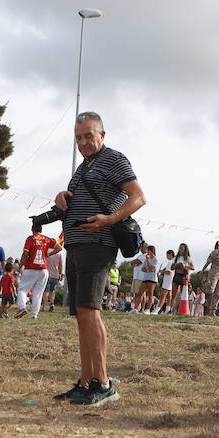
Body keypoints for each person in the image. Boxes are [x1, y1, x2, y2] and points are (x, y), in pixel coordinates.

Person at [53, 112, 145, 406]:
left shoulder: (114, 159)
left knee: (90, 311)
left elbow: (138, 197)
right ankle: (86, 381)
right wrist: (63, 197)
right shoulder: (82, 168)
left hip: (98, 244)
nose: (83, 142)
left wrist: (108, 219)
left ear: (102, 135)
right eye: (78, 138)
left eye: (89, 136)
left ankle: (104, 383)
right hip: (77, 245)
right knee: (81, 314)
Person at [14, 228, 57, 318]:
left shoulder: (30, 239)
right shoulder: (47, 239)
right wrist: (49, 254)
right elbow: (59, 247)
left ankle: (22, 308)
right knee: (38, 293)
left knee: (22, 289)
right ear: (41, 230)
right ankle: (34, 315)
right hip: (44, 270)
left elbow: (25, 254)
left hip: (30, 268)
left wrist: (20, 266)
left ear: (32, 229)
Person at [43, 241, 65, 313]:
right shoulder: (58, 254)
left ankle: (44, 307)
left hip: (47, 274)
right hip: (55, 275)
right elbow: (60, 265)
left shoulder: (46, 252)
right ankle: (52, 303)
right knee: (52, 291)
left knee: (46, 291)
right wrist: (60, 274)